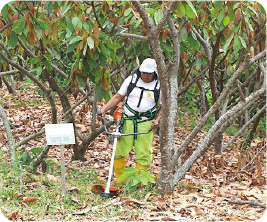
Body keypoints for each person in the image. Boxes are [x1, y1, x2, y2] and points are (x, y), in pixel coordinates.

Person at [98, 58, 161, 180]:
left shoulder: (159, 86)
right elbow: (118, 97)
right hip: (127, 120)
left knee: (143, 153)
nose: (145, 76)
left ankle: (138, 180)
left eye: (148, 74)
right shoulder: (132, 80)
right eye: (143, 73)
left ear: (154, 73)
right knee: (119, 149)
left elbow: (164, 107)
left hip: (145, 122)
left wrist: (157, 121)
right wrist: (104, 109)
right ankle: (120, 180)